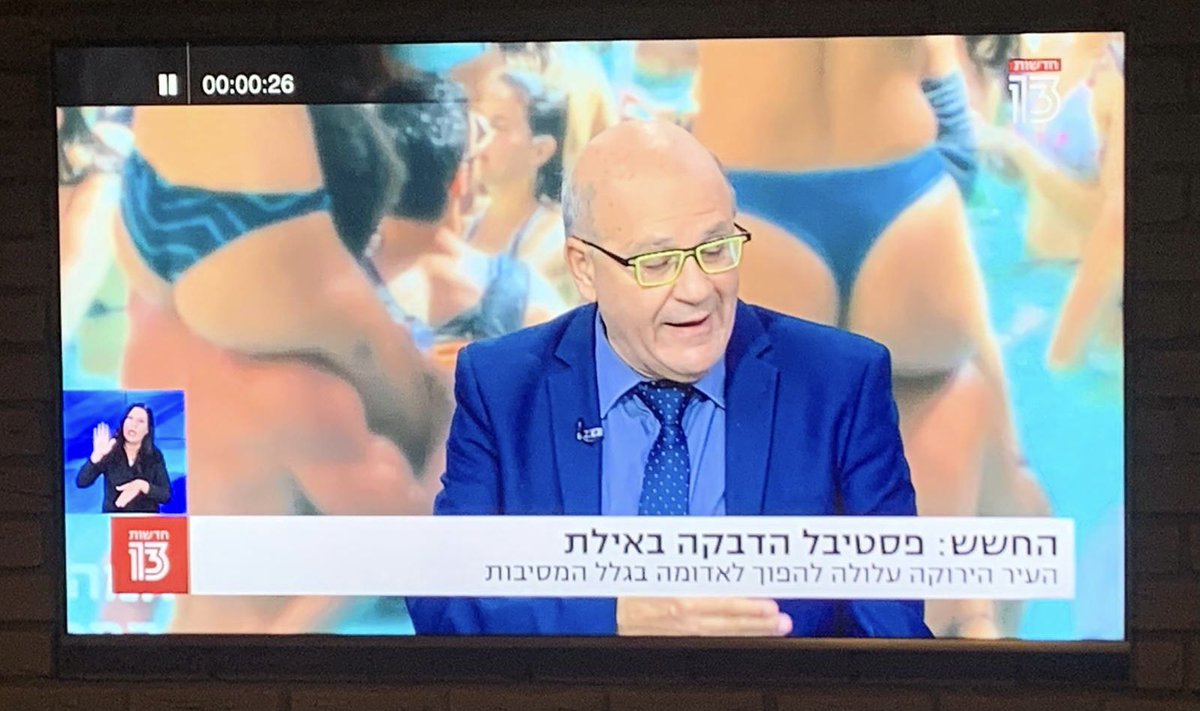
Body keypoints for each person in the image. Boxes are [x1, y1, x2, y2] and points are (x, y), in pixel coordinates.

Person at [407, 120, 931, 638]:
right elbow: (444, 601)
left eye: (716, 250)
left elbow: (891, 633)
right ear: (584, 268)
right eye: (657, 263)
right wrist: (614, 617)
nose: (697, 290)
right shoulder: (503, 387)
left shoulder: (839, 384)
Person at [691, 36, 1049, 638]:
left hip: (753, 199)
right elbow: (948, 92)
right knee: (929, 594)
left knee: (754, 574)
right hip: (909, 199)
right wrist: (1014, 459)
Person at [76, 402, 171, 514]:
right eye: (130, 418)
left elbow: (166, 495)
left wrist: (142, 485)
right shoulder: (110, 450)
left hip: (145, 523)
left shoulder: (154, 455)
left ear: (147, 430)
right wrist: (97, 455)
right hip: (114, 521)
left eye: (140, 421)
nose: (133, 425)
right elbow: (82, 482)